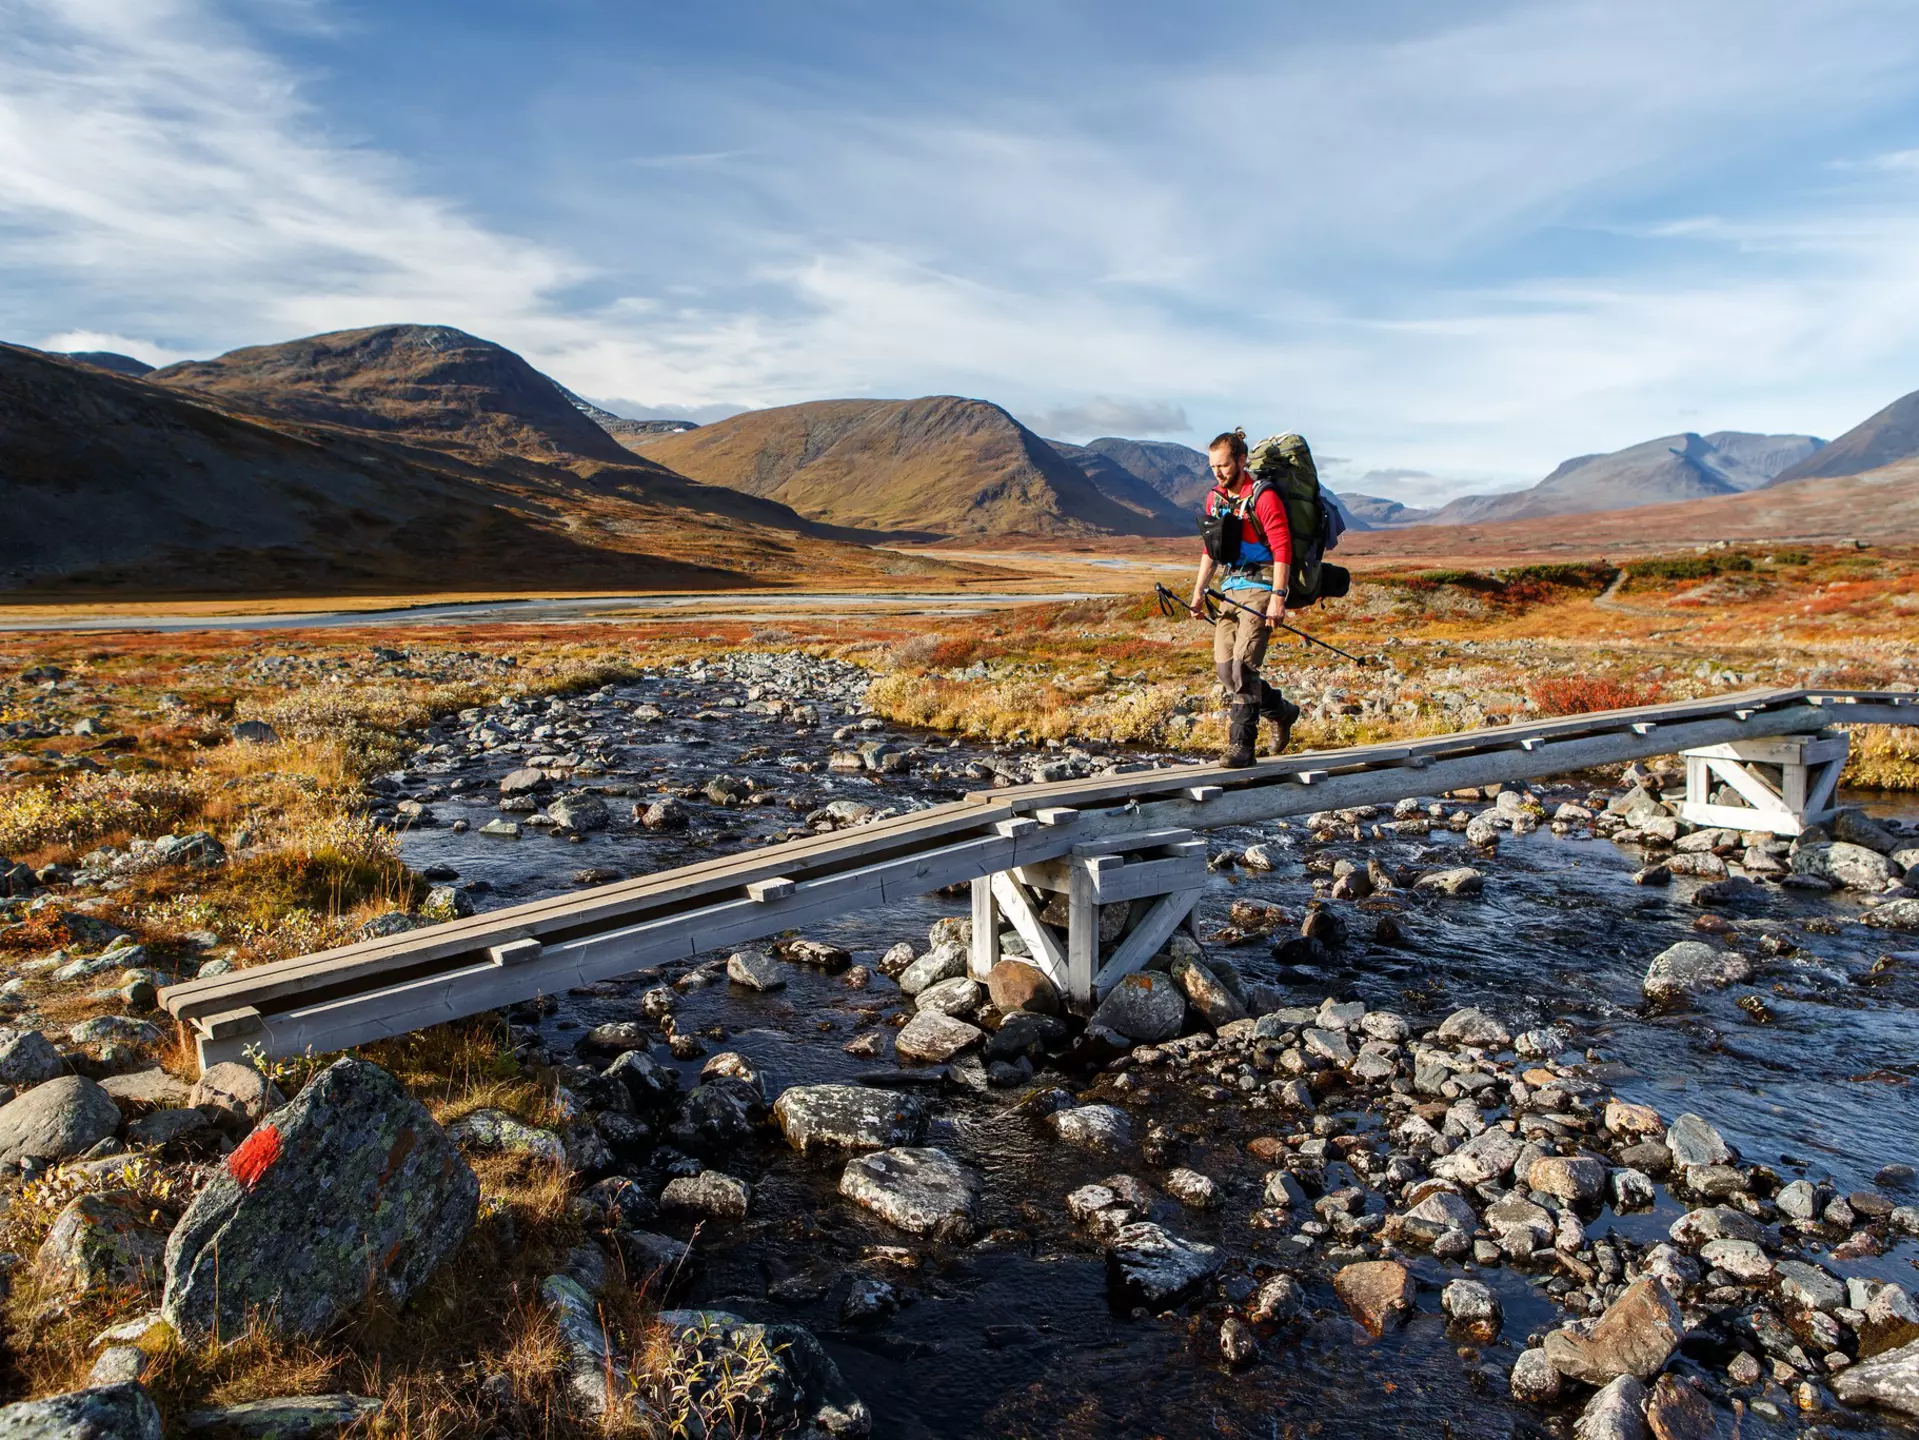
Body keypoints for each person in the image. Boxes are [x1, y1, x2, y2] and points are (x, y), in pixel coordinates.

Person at [1188, 428, 1302, 767]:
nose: (1219, 473)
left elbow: (1283, 549)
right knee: (1226, 671)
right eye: (1213, 468)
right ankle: (1282, 712)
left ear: (1241, 460)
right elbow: (1212, 549)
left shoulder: (1264, 497)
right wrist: (1198, 591)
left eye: (1223, 466)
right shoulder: (1215, 499)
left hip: (1263, 586)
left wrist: (1279, 597)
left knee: (1243, 666)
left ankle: (1242, 748)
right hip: (1231, 588)